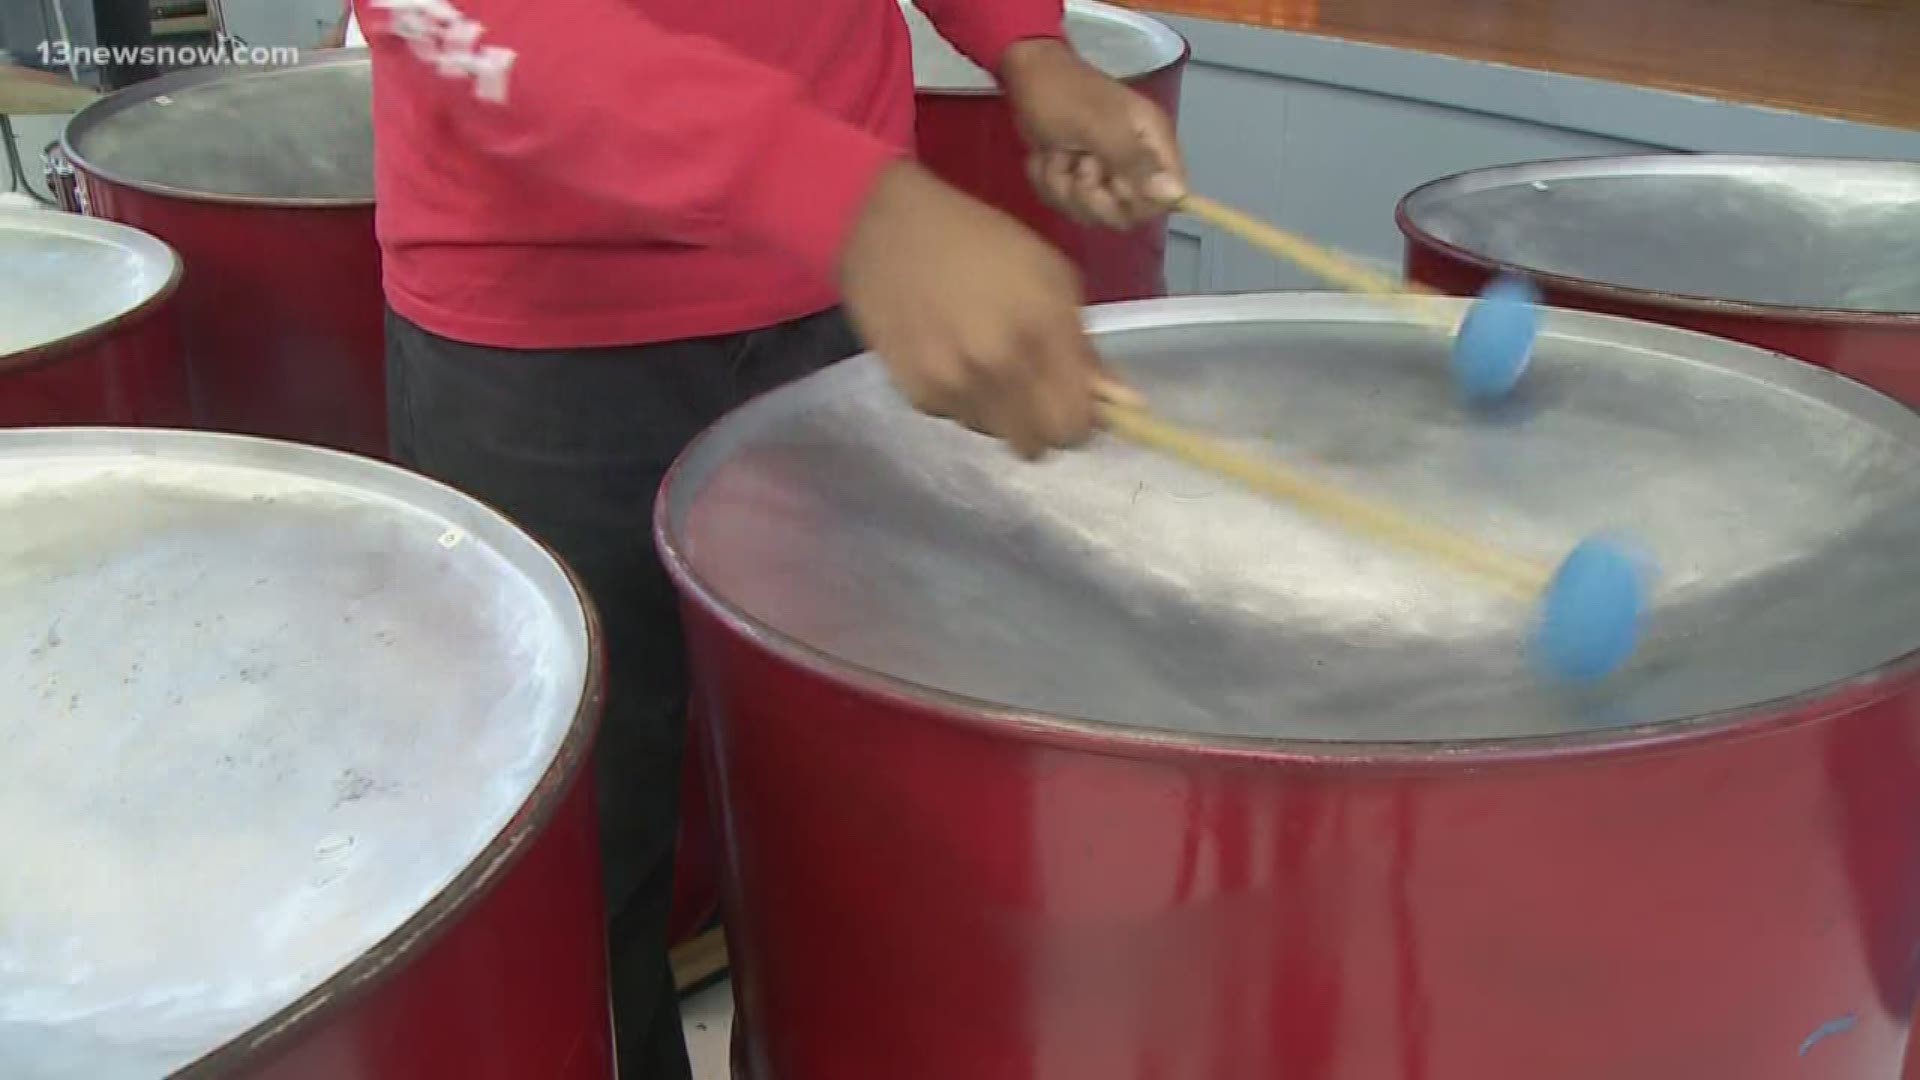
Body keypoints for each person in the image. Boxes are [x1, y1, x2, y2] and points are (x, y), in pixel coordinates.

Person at [348, 1, 1185, 1075]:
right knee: (573, 901)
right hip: (541, 343)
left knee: (850, 867)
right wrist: (846, 200)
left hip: (829, 291)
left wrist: (1025, 43)